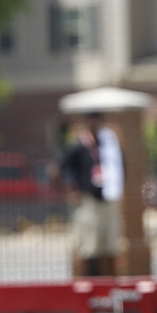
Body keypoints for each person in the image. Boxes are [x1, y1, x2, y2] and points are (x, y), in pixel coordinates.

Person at [54, 113, 124, 277]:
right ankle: (85, 289)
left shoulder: (108, 145)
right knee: (88, 249)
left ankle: (109, 289)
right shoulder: (79, 146)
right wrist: (67, 192)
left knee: (111, 248)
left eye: (98, 118)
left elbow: (121, 169)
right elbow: (56, 171)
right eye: (91, 119)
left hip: (108, 200)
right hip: (88, 203)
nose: (95, 123)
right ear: (85, 122)